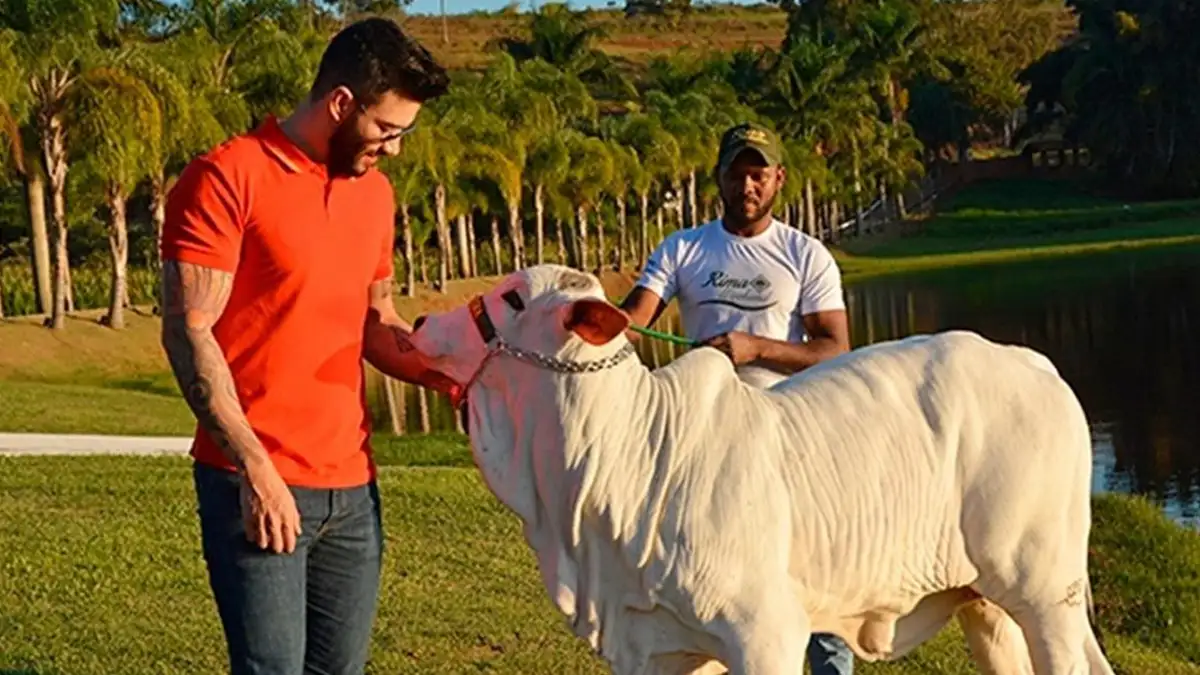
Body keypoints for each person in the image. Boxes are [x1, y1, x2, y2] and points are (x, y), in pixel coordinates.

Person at [159, 17, 456, 675]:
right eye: (387, 129)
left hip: (353, 492)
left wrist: (449, 372)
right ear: (342, 103)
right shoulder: (227, 175)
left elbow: (376, 319)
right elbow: (188, 330)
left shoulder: (374, 195)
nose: (396, 149)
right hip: (254, 478)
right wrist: (255, 468)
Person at [619, 121, 855, 674]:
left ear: (778, 179)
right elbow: (632, 321)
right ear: (718, 179)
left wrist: (753, 349)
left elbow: (836, 349)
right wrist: (586, 317)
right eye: (736, 174)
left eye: (757, 174)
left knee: (813, 580)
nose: (746, 186)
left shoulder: (805, 254)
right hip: (704, 445)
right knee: (704, 577)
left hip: (794, 440)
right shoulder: (683, 248)